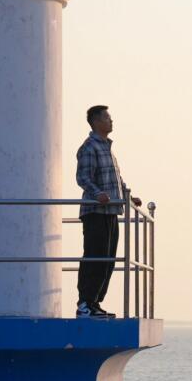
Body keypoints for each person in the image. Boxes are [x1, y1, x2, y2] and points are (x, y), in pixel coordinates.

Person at [75, 104, 140, 319]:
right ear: (95, 122)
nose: (111, 121)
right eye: (107, 118)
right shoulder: (89, 147)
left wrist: (129, 196)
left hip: (111, 211)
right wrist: (97, 193)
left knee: (108, 259)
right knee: (94, 257)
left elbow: (117, 180)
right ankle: (84, 303)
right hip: (95, 211)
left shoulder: (107, 149)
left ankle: (95, 303)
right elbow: (83, 178)